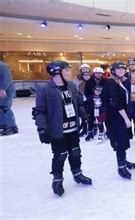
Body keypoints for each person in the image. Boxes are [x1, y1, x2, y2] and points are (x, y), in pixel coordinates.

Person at [32, 60, 92, 196]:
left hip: (72, 129)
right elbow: (39, 111)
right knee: (60, 155)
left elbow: (79, 103)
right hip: (58, 131)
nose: (69, 73)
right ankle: (57, 180)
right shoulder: (45, 89)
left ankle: (77, 174)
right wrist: (41, 129)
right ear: (57, 72)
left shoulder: (71, 86)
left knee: (76, 152)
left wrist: (84, 118)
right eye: (66, 70)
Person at [103, 61, 135, 179]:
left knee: (124, 139)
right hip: (115, 118)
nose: (121, 70)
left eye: (123, 69)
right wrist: (126, 119)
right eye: (118, 69)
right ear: (113, 70)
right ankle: (121, 167)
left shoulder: (122, 81)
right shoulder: (110, 83)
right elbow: (115, 102)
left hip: (123, 115)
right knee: (120, 142)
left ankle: (124, 160)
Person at [84, 67, 105, 140]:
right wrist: (92, 98)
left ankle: (103, 132)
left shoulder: (105, 81)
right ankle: (90, 132)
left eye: (100, 73)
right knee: (90, 119)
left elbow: (106, 91)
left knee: (101, 119)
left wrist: (101, 98)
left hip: (101, 103)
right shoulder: (89, 81)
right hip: (91, 103)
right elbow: (86, 92)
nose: (98, 74)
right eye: (97, 73)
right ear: (94, 73)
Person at [0, 61, 18, 135]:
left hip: (6, 89)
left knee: (5, 107)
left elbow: (7, 78)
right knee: (1, 108)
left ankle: (12, 127)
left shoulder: (2, 66)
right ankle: (4, 125)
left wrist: (3, 88)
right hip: (2, 89)